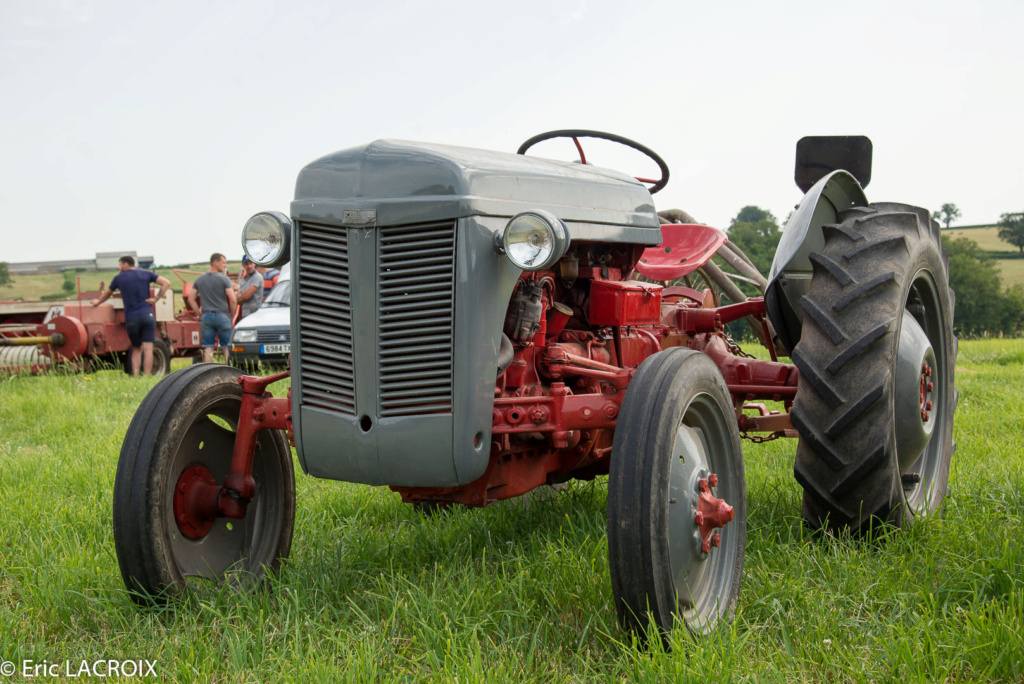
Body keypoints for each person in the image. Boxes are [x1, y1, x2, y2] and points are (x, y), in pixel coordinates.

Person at [90, 256, 171, 377]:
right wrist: (156, 298)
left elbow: (107, 294)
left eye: (120, 264)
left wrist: (97, 302)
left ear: (126, 265)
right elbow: (166, 283)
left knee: (136, 348)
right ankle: (148, 376)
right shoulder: (146, 274)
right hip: (147, 314)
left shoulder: (119, 278)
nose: (118, 267)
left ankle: (136, 376)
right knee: (148, 347)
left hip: (132, 317)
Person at [187, 253, 237, 363]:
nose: (225, 265)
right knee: (226, 346)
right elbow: (233, 299)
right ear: (215, 263)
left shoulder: (200, 279)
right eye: (223, 262)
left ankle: (207, 372)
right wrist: (232, 313)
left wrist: (199, 314)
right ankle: (229, 371)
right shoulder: (224, 279)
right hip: (222, 315)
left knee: (208, 347)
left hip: (206, 316)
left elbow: (191, 299)